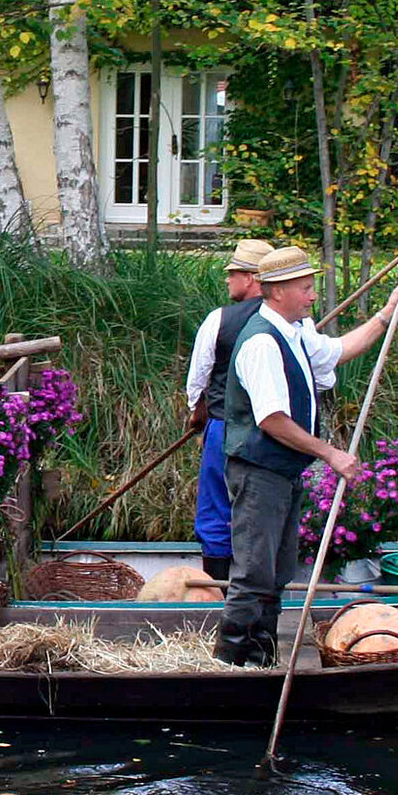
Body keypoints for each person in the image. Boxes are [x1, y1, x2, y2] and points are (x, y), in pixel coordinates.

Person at [214, 247, 398, 667]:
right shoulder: (262, 343)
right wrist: (330, 454)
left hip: (282, 472)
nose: (311, 297)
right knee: (253, 574)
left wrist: (387, 312)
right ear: (278, 291)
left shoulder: (295, 331)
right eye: (305, 289)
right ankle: (230, 663)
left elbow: (337, 350)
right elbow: (271, 419)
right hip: (259, 471)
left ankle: (263, 658)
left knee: (279, 571)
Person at [184, 237, 275, 582]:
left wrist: (197, 414)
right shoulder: (292, 321)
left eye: (233, 272)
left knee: (216, 510)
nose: (228, 279)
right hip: (277, 432)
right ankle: (257, 588)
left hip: (225, 428)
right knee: (263, 507)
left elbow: (198, 378)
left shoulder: (219, 319)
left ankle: (220, 594)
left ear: (251, 278)